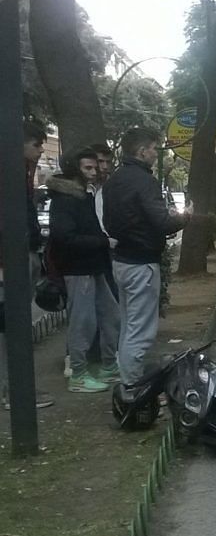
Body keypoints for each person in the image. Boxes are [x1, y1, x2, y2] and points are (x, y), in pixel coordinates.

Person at [103, 128, 190, 390]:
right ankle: (132, 386)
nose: (156, 153)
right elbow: (162, 222)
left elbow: (111, 221)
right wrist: (185, 217)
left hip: (122, 260)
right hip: (142, 263)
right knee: (140, 330)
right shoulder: (144, 181)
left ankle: (128, 378)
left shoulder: (114, 180)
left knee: (129, 325)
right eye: (154, 148)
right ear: (142, 151)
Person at [47, 148, 120, 393]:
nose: (93, 172)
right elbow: (64, 237)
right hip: (78, 269)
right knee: (83, 323)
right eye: (87, 168)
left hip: (94, 266)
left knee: (111, 317)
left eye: (94, 167)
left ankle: (109, 366)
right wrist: (102, 242)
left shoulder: (83, 195)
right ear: (73, 169)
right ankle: (78, 374)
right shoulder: (65, 199)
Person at [0, 121, 55, 409]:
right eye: (36, 144)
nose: (40, 150)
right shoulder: (10, 172)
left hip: (20, 254)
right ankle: (16, 392)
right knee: (14, 325)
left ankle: (14, 389)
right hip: (11, 260)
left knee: (13, 325)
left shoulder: (21, 171)